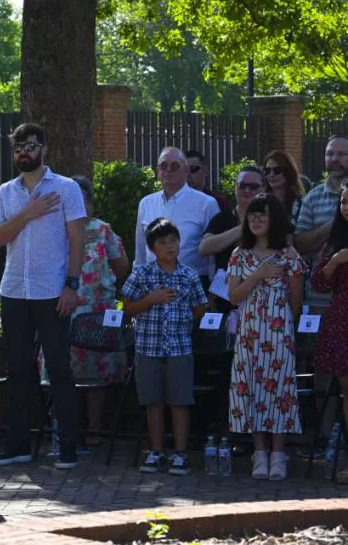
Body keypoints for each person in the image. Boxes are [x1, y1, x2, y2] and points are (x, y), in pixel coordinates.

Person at [0, 122, 86, 469]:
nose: (23, 153)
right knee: (17, 369)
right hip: (14, 291)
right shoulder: (6, 192)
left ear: (44, 149)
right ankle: (18, 447)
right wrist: (27, 214)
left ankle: (68, 448)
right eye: (18, 148)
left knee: (59, 368)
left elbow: (78, 240)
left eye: (29, 146)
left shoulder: (66, 188)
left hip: (52, 291)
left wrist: (72, 285)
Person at [227, 194, 304, 480]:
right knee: (251, 387)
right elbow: (234, 297)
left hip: (279, 331)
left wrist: (283, 324)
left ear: (275, 219)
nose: (257, 219)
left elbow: (296, 300)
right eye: (253, 214)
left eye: (263, 214)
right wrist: (258, 274)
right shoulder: (239, 254)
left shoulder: (288, 255)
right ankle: (259, 453)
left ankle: (279, 454)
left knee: (280, 389)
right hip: (248, 332)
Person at [122, 217, 207, 476]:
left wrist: (183, 319)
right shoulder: (142, 273)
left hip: (179, 349)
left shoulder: (189, 275)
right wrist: (151, 299)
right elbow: (127, 308)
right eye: (163, 242)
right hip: (148, 348)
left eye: (173, 240)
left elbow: (200, 308)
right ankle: (156, 451)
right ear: (152, 247)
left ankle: (180, 454)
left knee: (180, 402)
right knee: (153, 402)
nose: (170, 246)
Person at [294, 135, 348, 457]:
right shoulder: (313, 198)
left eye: (342, 153)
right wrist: (335, 223)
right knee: (323, 369)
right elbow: (301, 244)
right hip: (322, 299)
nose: (336, 159)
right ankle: (326, 437)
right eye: (331, 154)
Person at [69, 175, 129, 446]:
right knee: (64, 368)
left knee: (97, 368)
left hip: (98, 310)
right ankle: (66, 427)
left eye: (81, 198)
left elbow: (121, 265)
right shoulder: (55, 228)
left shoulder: (103, 230)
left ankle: (95, 427)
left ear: (89, 202)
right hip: (65, 309)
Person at [135, 147, 220, 292]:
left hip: (193, 288)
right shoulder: (146, 203)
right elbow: (141, 252)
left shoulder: (206, 204)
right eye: (163, 166)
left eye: (174, 166)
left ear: (186, 170)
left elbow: (215, 257)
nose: (168, 170)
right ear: (158, 171)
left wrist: (213, 293)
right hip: (152, 288)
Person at [310, 184, 348, 484]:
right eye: (344, 202)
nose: (347, 207)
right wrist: (335, 261)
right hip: (341, 323)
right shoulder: (335, 240)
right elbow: (319, 284)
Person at [199, 166, 265, 313]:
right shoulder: (222, 218)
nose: (247, 190)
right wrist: (244, 228)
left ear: (263, 190)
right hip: (224, 301)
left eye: (253, 186)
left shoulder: (272, 220)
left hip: (261, 300)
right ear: (235, 187)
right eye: (242, 185)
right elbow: (204, 248)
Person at [262, 150, 305, 228]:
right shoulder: (261, 201)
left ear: (288, 172)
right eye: (267, 171)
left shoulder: (300, 203)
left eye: (277, 170)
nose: (271, 175)